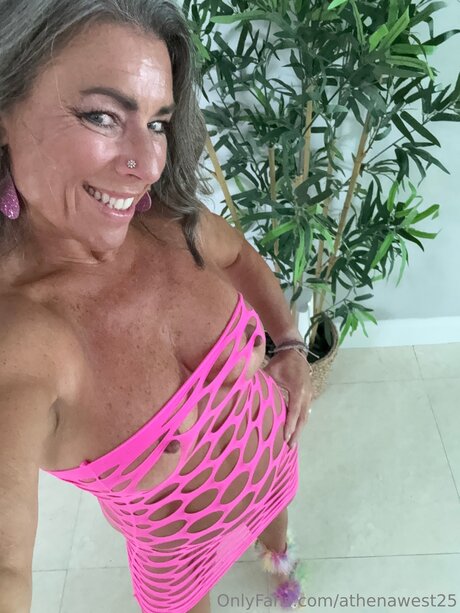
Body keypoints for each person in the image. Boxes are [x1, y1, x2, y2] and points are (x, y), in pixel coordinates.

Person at [0, 1, 313, 612]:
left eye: (159, 123)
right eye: (102, 116)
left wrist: (289, 344)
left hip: (274, 465)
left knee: (278, 529)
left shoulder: (170, 223)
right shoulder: (20, 341)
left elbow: (242, 258)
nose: (147, 166)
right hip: (180, 558)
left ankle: (279, 559)